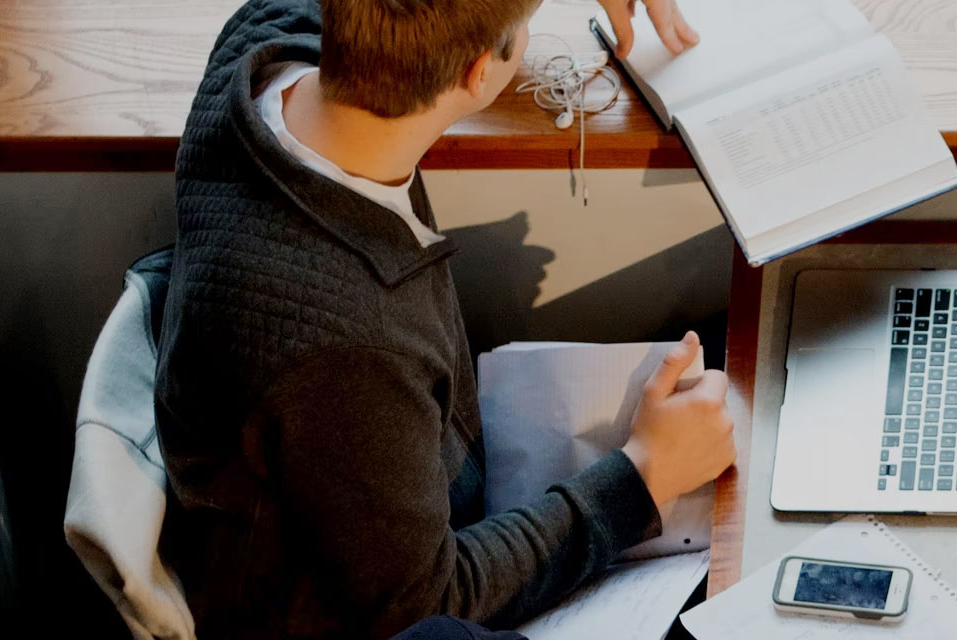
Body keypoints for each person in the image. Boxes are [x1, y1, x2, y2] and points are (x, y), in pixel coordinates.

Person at [155, 0, 722, 636]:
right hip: (358, 603)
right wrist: (642, 477)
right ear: (479, 73)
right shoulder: (345, 353)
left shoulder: (266, 36)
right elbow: (425, 602)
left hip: (385, 478)